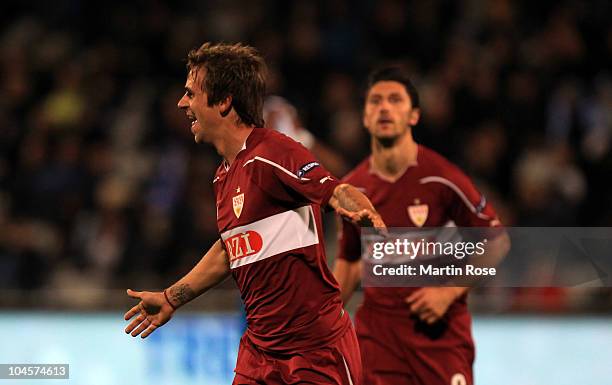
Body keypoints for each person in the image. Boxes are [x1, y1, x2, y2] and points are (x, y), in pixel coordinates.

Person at [123, 42, 386, 385]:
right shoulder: (224, 175)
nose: (182, 103)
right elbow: (229, 249)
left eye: (191, 93)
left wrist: (358, 208)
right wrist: (172, 296)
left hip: (315, 352)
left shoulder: (273, 151)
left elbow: (333, 189)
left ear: (223, 101)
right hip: (259, 355)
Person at [333, 66, 510, 385]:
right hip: (379, 337)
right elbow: (348, 261)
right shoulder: (352, 189)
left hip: (439, 335)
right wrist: (318, 325)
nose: (384, 107)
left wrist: (449, 292)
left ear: (414, 116)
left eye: (395, 100)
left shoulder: (442, 178)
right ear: (364, 117)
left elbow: (497, 243)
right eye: (375, 101)